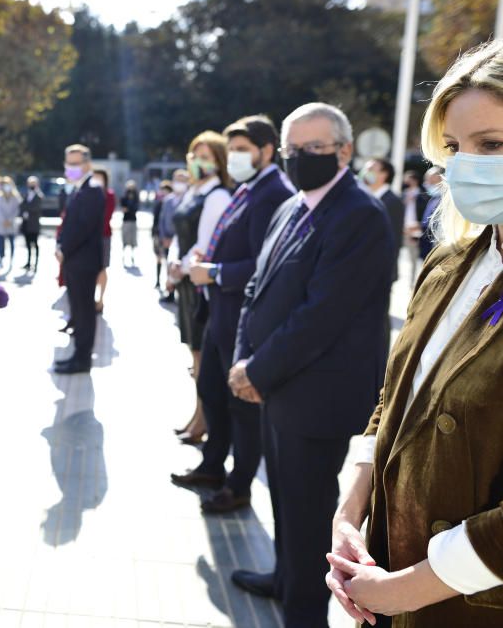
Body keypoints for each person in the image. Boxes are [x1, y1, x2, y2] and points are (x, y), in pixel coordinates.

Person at [326, 40, 503, 628]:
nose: (464, 165)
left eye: (492, 145)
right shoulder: (450, 264)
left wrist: (405, 590)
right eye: (453, 147)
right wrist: (350, 513)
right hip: (387, 587)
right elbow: (395, 401)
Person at [226, 102, 394, 626]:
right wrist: (242, 361)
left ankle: (302, 611)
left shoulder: (361, 216)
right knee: (283, 497)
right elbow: (256, 291)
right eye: (294, 149)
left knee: (306, 508)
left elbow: (321, 317)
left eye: (314, 149)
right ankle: (284, 578)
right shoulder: (291, 206)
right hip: (275, 386)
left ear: (344, 151)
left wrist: (256, 371)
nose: (301, 159)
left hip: (315, 396)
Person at [171, 115, 293, 513]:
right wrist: (212, 258)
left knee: (241, 408)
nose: (236, 157)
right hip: (219, 312)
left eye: (243, 150)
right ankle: (212, 466)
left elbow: (263, 264)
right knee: (211, 390)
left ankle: (238, 486)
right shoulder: (248, 187)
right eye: (233, 150)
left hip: (241, 316)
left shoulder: (272, 192)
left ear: (266, 150)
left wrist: (217, 271)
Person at [167, 133, 232, 445]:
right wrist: (172, 263)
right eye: (195, 155)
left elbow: (205, 243)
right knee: (195, 357)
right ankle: (198, 415)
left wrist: (180, 266)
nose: (198, 162)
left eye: (206, 156)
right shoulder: (194, 191)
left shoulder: (217, 195)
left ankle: (203, 419)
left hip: (199, 284)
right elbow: (179, 236)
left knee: (201, 358)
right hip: (185, 281)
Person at [53, 144, 105, 375]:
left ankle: (82, 358)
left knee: (84, 312)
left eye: (76, 163)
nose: (71, 168)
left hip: (83, 261)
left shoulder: (92, 189)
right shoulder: (78, 189)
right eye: (69, 163)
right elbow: (68, 223)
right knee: (77, 310)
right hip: (75, 260)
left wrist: (64, 248)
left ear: (87, 164)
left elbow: (83, 227)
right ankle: (77, 354)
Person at [363, 157, 406, 284]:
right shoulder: (369, 198)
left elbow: (393, 241)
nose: (365, 172)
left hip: (378, 273)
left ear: (384, 174)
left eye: (370, 169)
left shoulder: (392, 202)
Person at [155, 173, 187, 299]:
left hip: (181, 241)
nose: (179, 183)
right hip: (167, 239)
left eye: (182, 180)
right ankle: (170, 292)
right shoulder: (168, 200)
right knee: (168, 265)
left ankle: (180, 293)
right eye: (177, 180)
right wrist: (163, 237)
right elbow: (162, 219)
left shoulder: (189, 199)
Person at [402, 169, 432, 282]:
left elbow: (425, 215)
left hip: (417, 231)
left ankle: (414, 282)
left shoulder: (423, 196)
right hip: (404, 230)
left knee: (416, 258)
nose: (406, 182)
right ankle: (409, 281)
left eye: (408, 179)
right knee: (407, 258)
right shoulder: (403, 194)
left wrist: (418, 228)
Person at [94, 168, 117, 314]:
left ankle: (101, 299)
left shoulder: (109, 195)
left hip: (103, 236)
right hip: (89, 238)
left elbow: (106, 216)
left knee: (102, 268)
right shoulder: (88, 194)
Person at [0, 176, 21, 270]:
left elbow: (17, 210)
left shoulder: (15, 197)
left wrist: (10, 220)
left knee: (12, 242)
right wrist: (4, 220)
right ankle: (1, 258)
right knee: (1, 242)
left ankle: (11, 259)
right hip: (1, 223)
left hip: (11, 223)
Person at [419, 167, 444, 261]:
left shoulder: (446, 200)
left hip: (436, 249)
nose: (427, 184)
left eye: (431, 182)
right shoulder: (433, 198)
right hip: (426, 247)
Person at [21, 175, 43, 272]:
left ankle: (36, 264)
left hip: (34, 225)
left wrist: (27, 208)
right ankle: (28, 262)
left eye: (33, 183)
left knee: (35, 244)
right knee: (28, 244)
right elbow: (22, 206)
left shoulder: (38, 195)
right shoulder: (27, 194)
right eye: (30, 183)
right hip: (26, 223)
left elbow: (35, 208)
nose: (31, 185)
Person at [120, 180, 140, 267]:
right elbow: (124, 208)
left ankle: (132, 257)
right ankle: (124, 256)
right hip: (126, 220)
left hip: (133, 220)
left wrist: (129, 208)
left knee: (132, 240)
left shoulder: (136, 197)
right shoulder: (124, 197)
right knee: (124, 239)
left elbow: (135, 208)